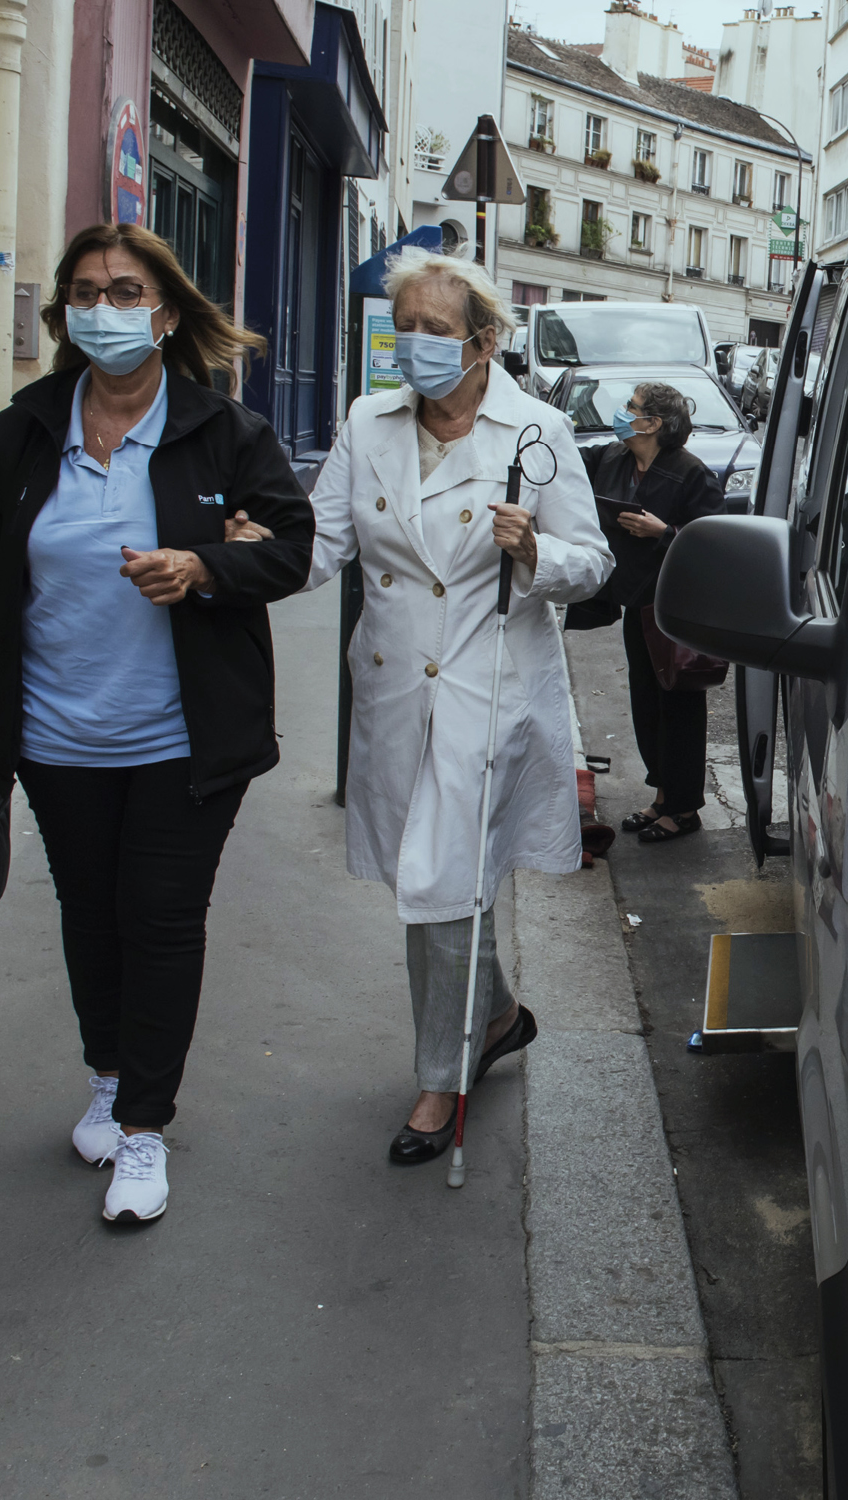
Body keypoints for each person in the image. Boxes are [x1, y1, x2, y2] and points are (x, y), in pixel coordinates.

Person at [0, 222, 315, 1225]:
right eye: (86, 293)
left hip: (186, 740)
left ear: (167, 313)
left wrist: (205, 566)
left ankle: (144, 1127)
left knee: (162, 918)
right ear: (64, 314)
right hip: (55, 736)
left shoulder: (225, 434)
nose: (105, 309)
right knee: (88, 914)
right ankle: (108, 1074)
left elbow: (294, 551)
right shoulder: (25, 431)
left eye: (126, 291)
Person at [230, 248, 611, 1164]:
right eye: (404, 327)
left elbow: (592, 564)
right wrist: (246, 553)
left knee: (441, 884)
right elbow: (321, 543)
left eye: (435, 330)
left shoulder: (536, 431)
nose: (414, 345)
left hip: (489, 692)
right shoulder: (370, 422)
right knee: (441, 879)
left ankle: (441, 1080)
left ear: (483, 341)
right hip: (399, 685)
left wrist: (534, 555)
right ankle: (502, 1015)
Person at [585, 383, 725, 843]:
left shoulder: (690, 474)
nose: (622, 414)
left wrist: (664, 531)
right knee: (646, 705)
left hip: (675, 611)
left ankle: (684, 809)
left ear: (653, 424)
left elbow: (710, 544)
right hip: (636, 605)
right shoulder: (613, 460)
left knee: (679, 707)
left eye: (632, 408)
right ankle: (663, 795)